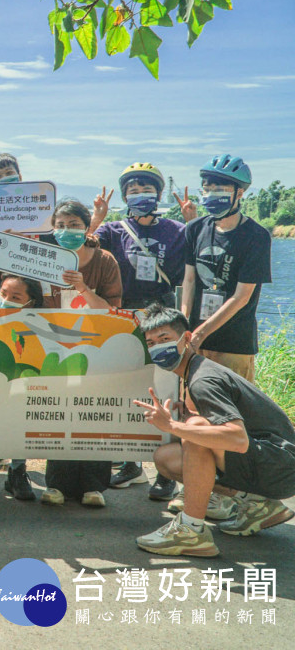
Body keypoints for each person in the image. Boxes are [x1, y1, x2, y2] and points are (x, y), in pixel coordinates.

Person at [135, 304, 295, 557]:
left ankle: (191, 531)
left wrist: (174, 425)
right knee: (166, 458)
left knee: (195, 430)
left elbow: (237, 439)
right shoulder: (196, 370)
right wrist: (185, 417)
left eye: (165, 339)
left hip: (280, 466)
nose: (158, 348)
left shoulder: (203, 380)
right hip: (274, 462)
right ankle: (257, 505)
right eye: (151, 343)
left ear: (187, 338)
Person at [93, 163, 186, 499]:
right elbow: (83, 250)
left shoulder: (177, 230)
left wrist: (192, 220)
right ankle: (131, 464)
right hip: (124, 316)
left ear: (157, 195)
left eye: (146, 190)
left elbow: (194, 269)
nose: (139, 195)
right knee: (127, 389)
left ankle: (166, 473)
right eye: (132, 191)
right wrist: (96, 217)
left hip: (163, 318)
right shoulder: (114, 230)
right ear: (125, 197)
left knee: (166, 391)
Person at [37, 200, 123, 508]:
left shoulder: (105, 260)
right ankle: (57, 484)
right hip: (56, 346)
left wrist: (84, 288)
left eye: (73, 225)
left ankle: (94, 485)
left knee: (93, 412)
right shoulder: (45, 259)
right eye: (60, 225)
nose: (66, 231)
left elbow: (113, 310)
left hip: (97, 346)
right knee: (60, 410)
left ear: (87, 228)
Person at [181, 155, 270, 382]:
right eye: (207, 189)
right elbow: (189, 281)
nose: (211, 194)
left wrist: (201, 333)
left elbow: (242, 297)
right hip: (194, 341)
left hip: (234, 344)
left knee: (234, 411)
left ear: (239, 193)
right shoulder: (195, 229)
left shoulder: (256, 236)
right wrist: (183, 322)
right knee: (192, 411)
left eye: (219, 189)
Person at [0, 273, 46, 501]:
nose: (7, 299)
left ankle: (18, 471)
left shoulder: (39, 323)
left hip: (22, 381)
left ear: (31, 302)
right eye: (3, 293)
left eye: (16, 297)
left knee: (20, 416)